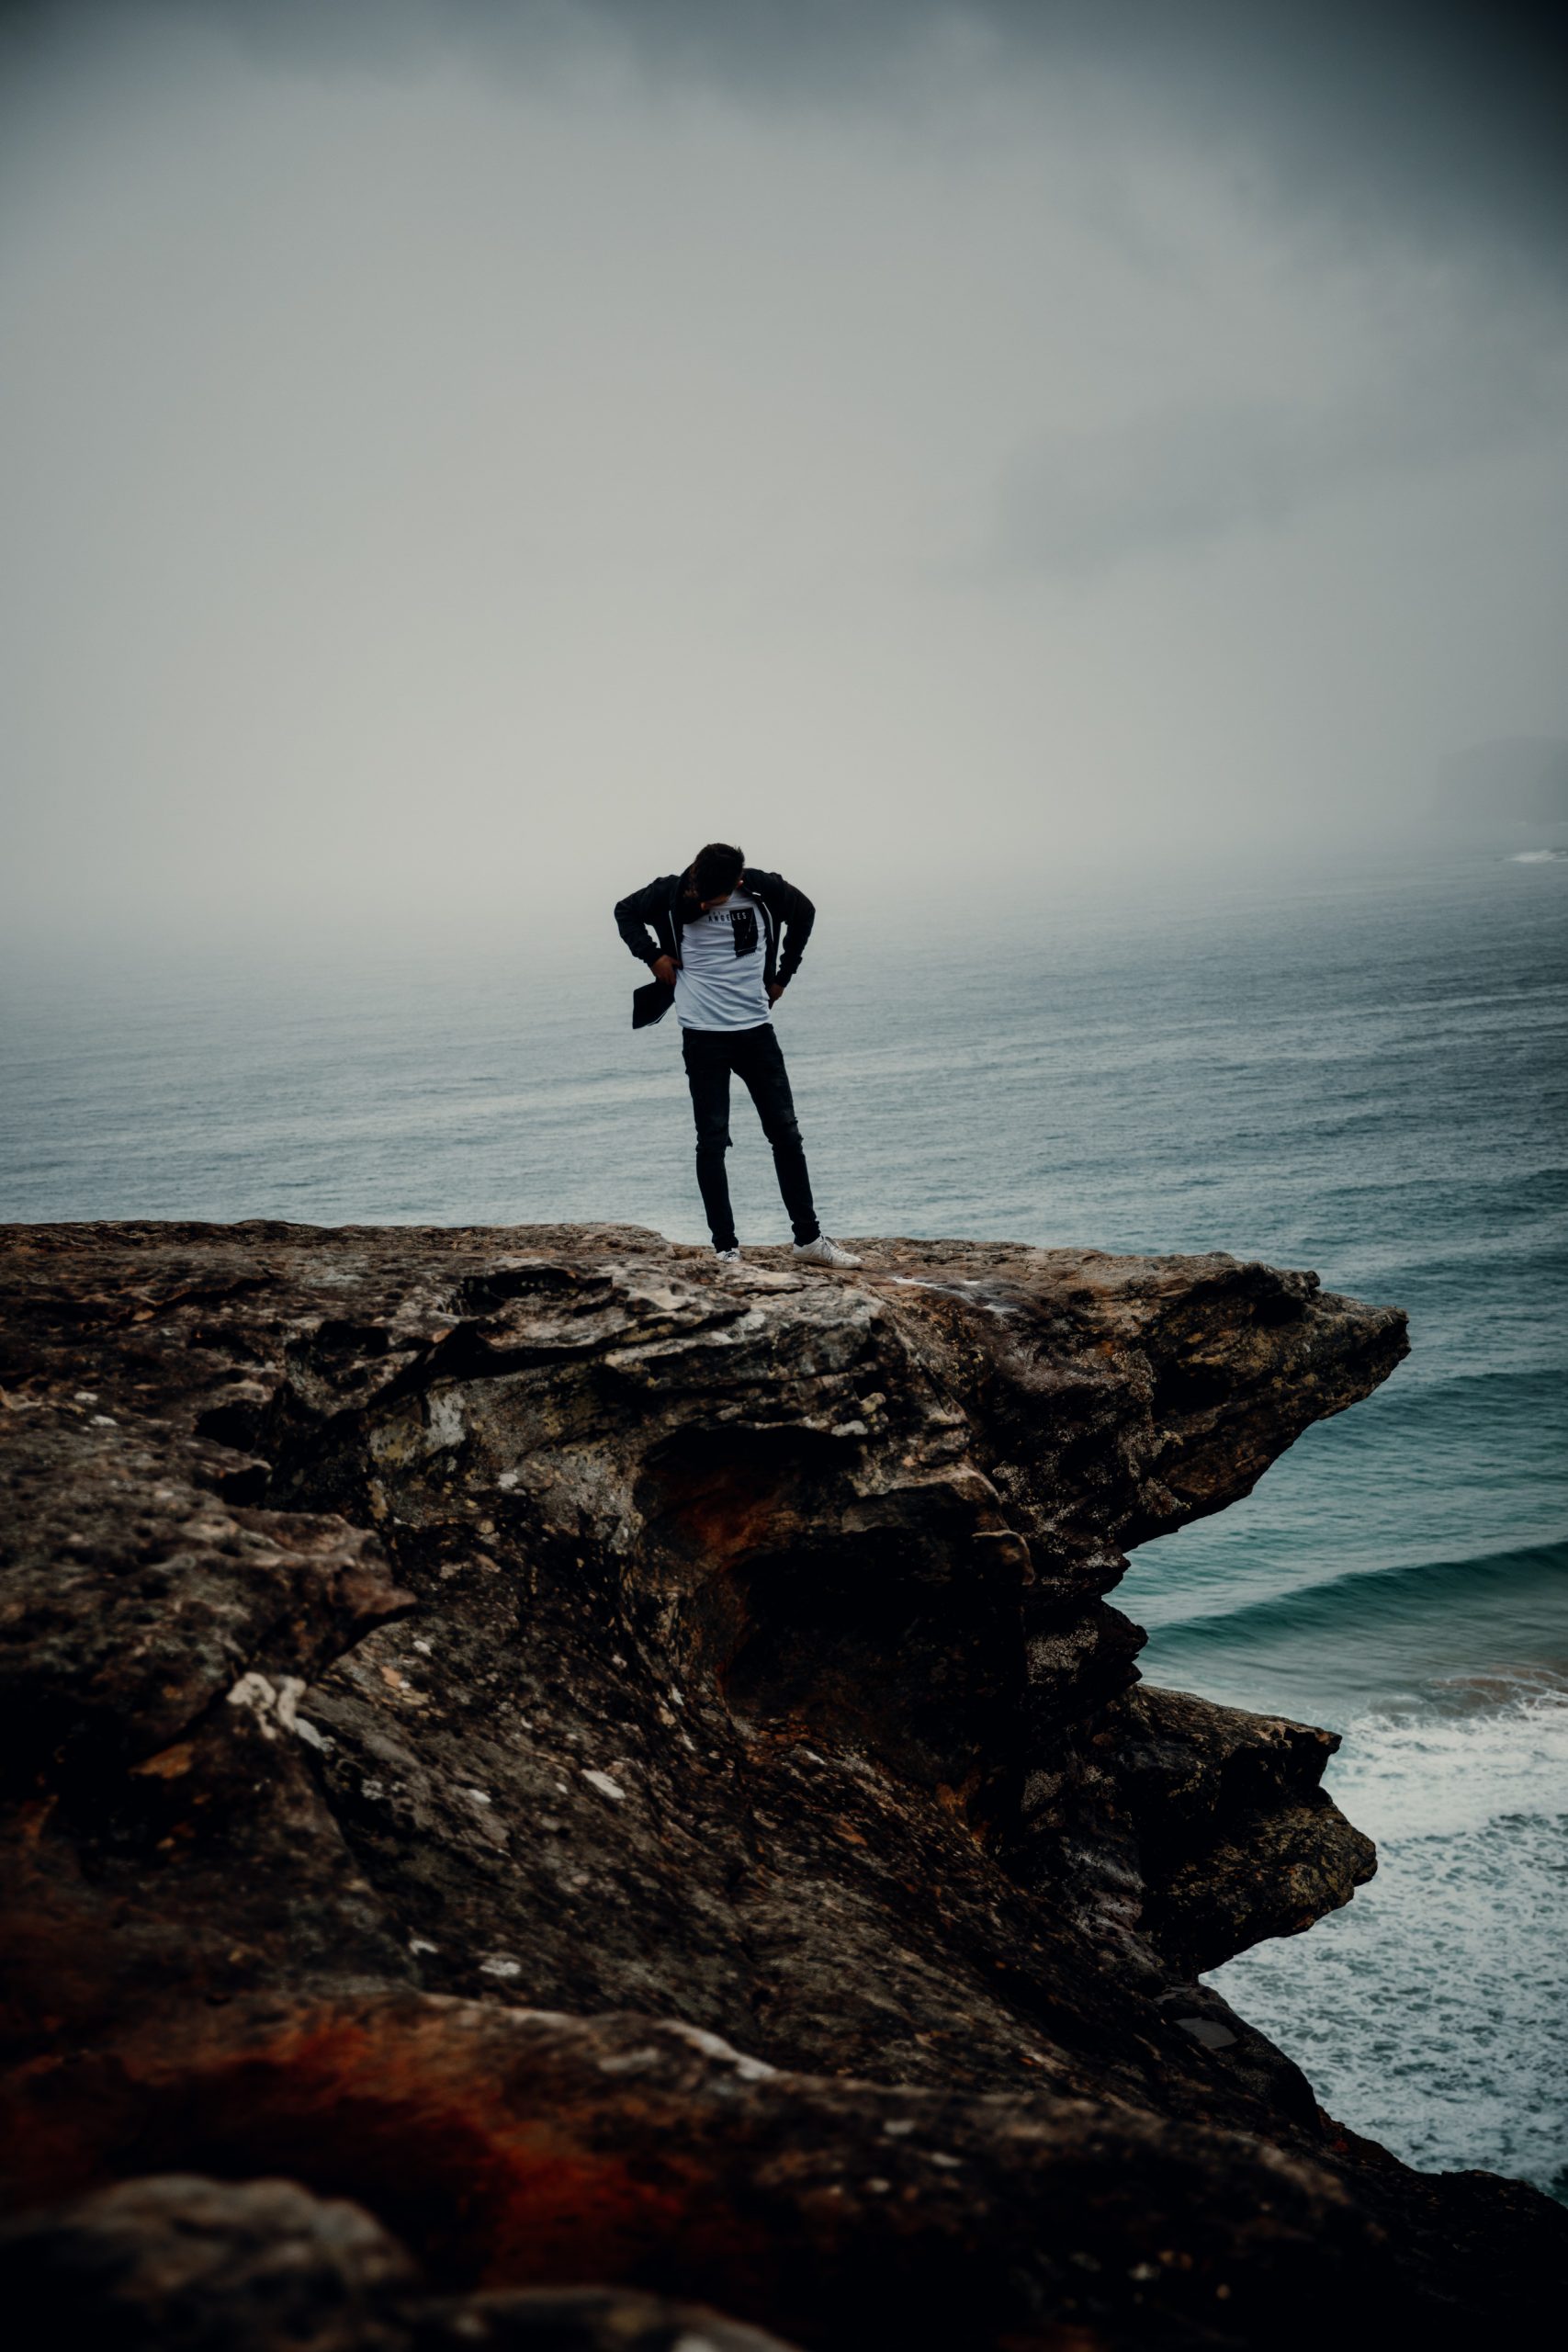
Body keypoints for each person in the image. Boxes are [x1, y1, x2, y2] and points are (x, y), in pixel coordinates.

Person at [614, 843, 861, 1267]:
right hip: (703, 1036)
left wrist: (783, 977)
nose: (706, 903)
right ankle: (726, 1249)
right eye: (702, 895)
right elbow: (624, 911)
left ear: (738, 882)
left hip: (756, 1033)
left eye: (715, 896)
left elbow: (806, 914)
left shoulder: (763, 891)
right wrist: (652, 956)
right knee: (712, 1142)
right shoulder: (674, 892)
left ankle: (808, 1241)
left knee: (786, 1135)